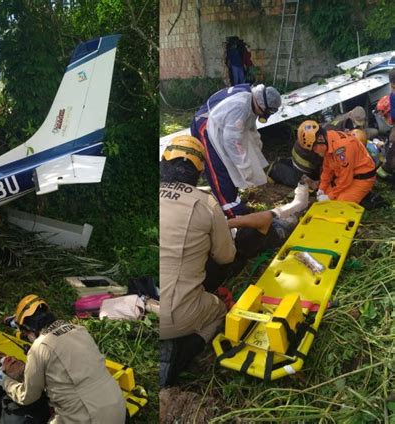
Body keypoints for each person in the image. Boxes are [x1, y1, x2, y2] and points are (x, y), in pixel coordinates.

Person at [159, 135, 309, 386]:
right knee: (218, 310)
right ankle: (178, 354)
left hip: (149, 308)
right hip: (178, 314)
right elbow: (226, 256)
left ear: (164, 163)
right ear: (199, 172)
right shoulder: (205, 203)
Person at [0, 295, 126, 424]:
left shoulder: (39, 348)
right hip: (118, 408)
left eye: (25, 333)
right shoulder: (79, 330)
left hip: (88, 416)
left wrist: (5, 381)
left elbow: (28, 396)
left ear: (29, 329)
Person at [191, 83, 282, 217]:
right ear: (262, 106)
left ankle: (232, 197)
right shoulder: (241, 107)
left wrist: (257, 147)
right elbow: (232, 141)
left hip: (220, 121)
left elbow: (250, 128)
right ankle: (230, 209)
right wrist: (245, 167)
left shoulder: (252, 97)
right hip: (205, 124)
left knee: (231, 162)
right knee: (219, 166)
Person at [298, 120, 376, 203]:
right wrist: (321, 188)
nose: (315, 151)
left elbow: (346, 178)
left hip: (361, 179)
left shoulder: (342, 149)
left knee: (339, 203)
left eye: (314, 148)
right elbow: (327, 169)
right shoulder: (328, 139)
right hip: (347, 175)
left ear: (320, 139)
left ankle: (364, 192)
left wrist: (330, 196)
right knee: (326, 193)